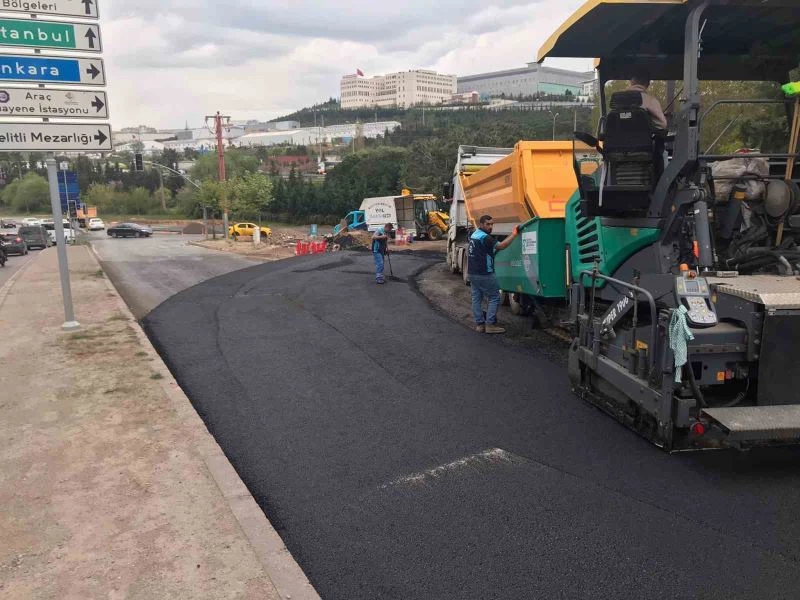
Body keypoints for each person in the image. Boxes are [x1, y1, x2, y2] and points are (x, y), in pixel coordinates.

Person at [468, 215, 519, 334]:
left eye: (492, 224)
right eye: (488, 224)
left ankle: (480, 325)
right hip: (484, 273)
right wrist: (514, 233)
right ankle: (490, 324)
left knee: (476, 298)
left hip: (472, 272)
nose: (491, 226)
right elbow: (502, 246)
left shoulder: (474, 234)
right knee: (494, 297)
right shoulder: (485, 238)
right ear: (481, 224)